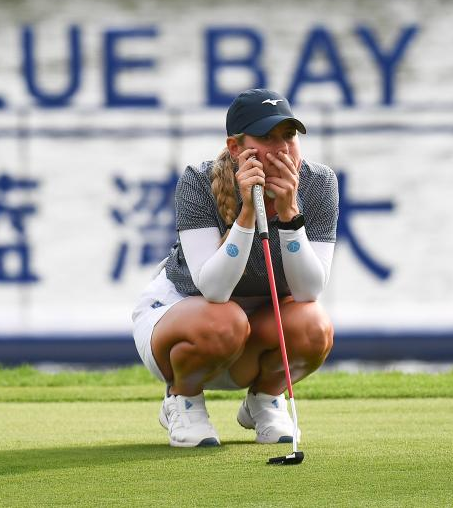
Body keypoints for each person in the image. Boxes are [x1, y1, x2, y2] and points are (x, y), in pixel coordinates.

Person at [132, 88, 338, 448]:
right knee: (224, 319)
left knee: (314, 326)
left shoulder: (319, 184)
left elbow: (307, 291)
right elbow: (214, 290)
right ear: (235, 147)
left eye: (288, 136)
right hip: (184, 325)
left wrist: (289, 213)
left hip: (258, 334)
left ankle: (265, 400)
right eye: (266, 137)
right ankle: (183, 399)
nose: (281, 148)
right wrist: (247, 212)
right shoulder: (197, 182)